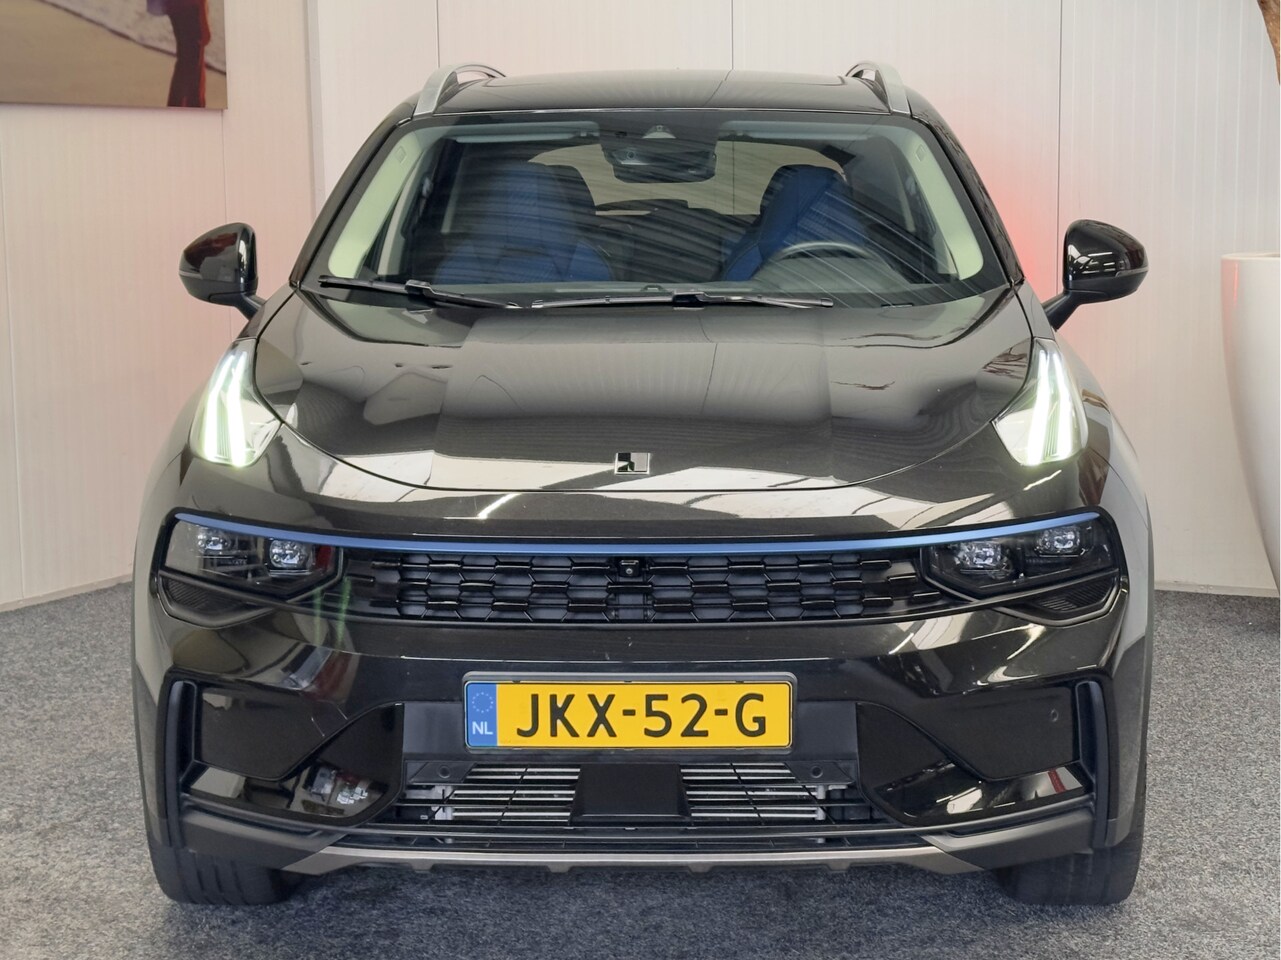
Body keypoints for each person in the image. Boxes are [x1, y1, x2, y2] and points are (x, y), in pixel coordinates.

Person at [148, 0, 211, 107]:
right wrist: (204, 21)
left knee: (184, 63)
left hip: (176, 7)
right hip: (189, 7)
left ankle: (177, 106)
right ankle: (190, 108)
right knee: (193, 67)